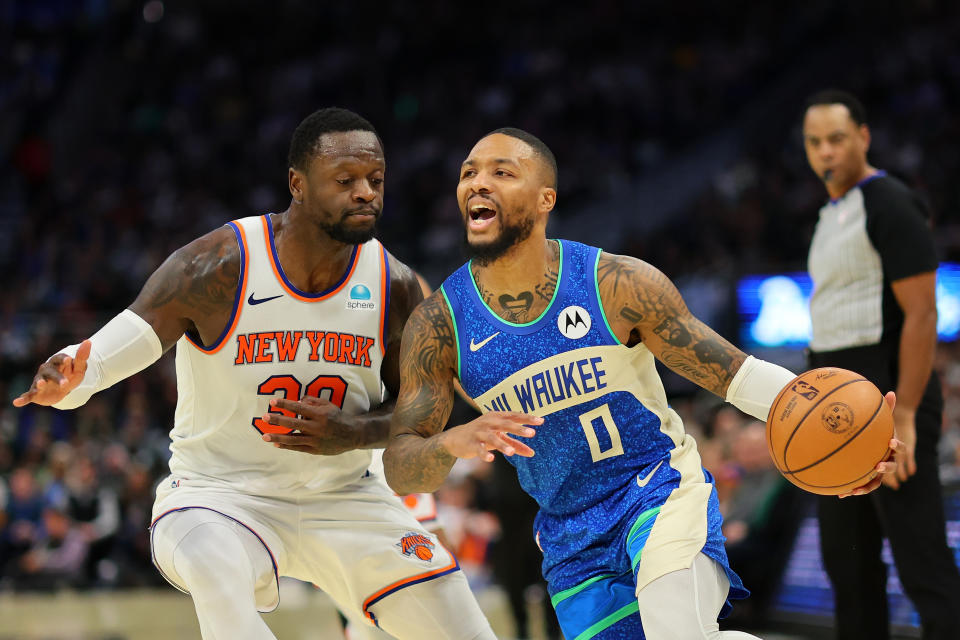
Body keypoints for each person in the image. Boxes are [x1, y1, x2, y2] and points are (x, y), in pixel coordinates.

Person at [382, 128, 900, 640]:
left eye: (502, 172)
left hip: (657, 490)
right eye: (469, 172)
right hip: (568, 533)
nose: (477, 183)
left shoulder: (615, 282)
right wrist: (452, 441)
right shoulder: (440, 324)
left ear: (546, 200)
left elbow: (733, 373)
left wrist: (842, 443)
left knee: (675, 631)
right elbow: (402, 467)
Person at [12, 108, 495, 640]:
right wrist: (73, 378)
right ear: (298, 184)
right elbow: (115, 348)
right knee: (219, 581)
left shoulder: (395, 284)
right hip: (217, 496)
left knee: (461, 622)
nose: (366, 194)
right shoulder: (221, 264)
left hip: (344, 497)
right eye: (345, 181)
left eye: (375, 181)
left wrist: (352, 434)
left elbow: (419, 413)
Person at [802, 89, 960, 640]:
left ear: (864, 138)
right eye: (815, 142)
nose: (826, 153)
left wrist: (910, 413)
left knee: (923, 564)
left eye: (837, 140)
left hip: (889, 402)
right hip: (833, 410)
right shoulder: (827, 215)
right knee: (848, 565)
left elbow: (923, 314)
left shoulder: (891, 202)